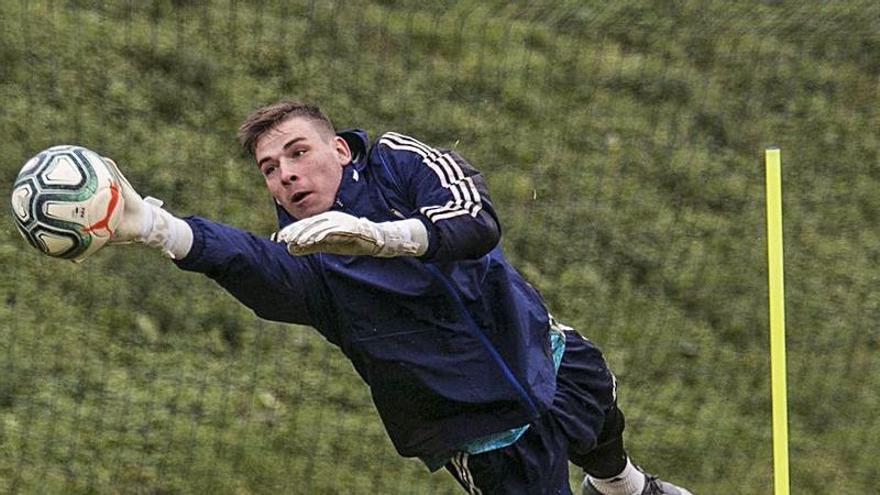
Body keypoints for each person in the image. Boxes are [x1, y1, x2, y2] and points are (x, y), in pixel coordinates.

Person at [103, 100, 693, 495]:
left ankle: (628, 490)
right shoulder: (307, 260)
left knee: (598, 418)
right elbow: (245, 260)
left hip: (541, 351)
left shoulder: (396, 162)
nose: (283, 173)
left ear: (339, 149)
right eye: (268, 168)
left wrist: (387, 238)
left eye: (297, 152)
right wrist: (158, 229)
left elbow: (476, 219)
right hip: (481, 433)